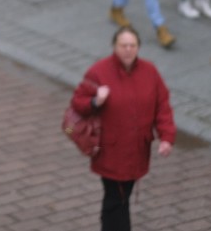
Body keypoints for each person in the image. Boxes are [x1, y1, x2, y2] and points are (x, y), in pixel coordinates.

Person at [71, 26, 176, 231]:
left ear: (138, 47)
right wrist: (95, 101)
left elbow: (162, 107)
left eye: (132, 45)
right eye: (123, 45)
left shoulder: (150, 72)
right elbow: (78, 102)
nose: (128, 49)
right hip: (110, 152)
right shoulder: (99, 71)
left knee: (120, 198)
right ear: (114, 46)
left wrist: (166, 137)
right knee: (116, 199)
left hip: (137, 151)